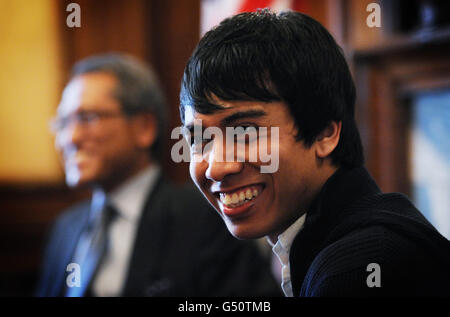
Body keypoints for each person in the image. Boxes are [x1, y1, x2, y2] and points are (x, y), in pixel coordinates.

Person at [179, 9, 450, 297]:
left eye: (245, 132)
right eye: (200, 140)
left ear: (324, 132)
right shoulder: (344, 246)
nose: (216, 167)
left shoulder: (358, 267)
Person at [36, 53, 280, 297]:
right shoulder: (65, 227)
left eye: (87, 118)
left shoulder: (209, 216)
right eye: (63, 123)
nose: (70, 138)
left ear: (145, 127)